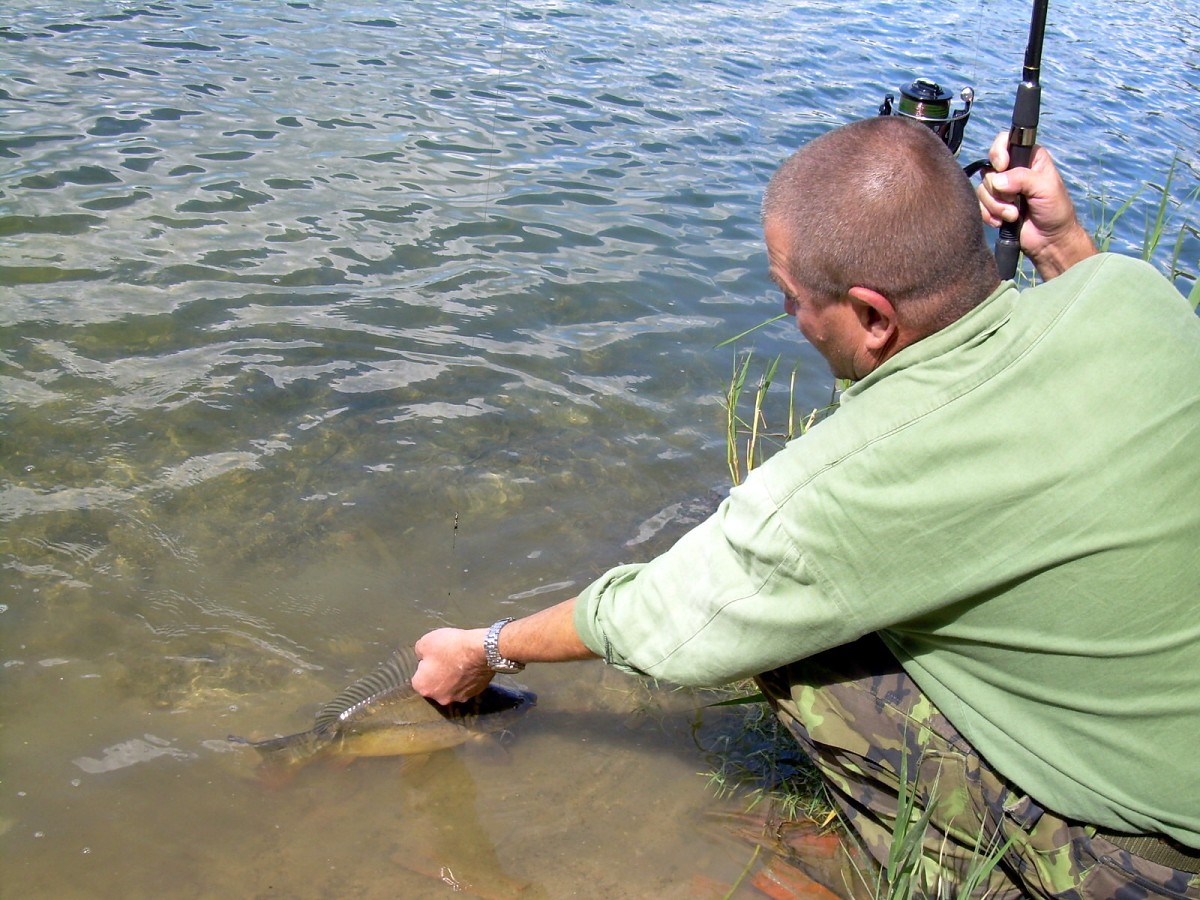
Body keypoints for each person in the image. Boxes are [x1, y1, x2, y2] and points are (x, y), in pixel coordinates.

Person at [412, 116, 1200, 898]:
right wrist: (1060, 243)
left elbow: (668, 620)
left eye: (789, 298)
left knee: (792, 645)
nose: (789, 317)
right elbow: (1090, 304)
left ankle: (932, 871)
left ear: (873, 316)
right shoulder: (1132, 291)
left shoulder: (850, 481)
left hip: (1159, 861)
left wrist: (484, 647)